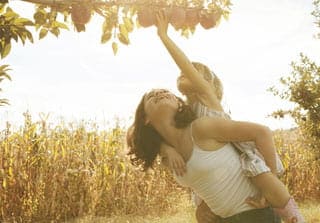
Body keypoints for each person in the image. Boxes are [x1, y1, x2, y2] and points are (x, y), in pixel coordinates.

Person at [154, 10, 305, 223]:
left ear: (206, 82)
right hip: (221, 177)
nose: (183, 73)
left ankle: (296, 218)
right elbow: (163, 136)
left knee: (272, 189)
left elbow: (184, 64)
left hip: (249, 159)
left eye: (192, 72)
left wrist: (164, 36)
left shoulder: (207, 98)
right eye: (181, 74)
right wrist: (166, 148)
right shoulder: (186, 115)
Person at [128, 88, 285, 222]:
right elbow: (206, 178)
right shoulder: (167, 157)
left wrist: (270, 187)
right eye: (151, 95)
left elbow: (262, 132)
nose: (160, 92)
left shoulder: (201, 128)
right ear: (145, 118)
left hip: (255, 216)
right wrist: (202, 207)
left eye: (165, 91)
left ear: (179, 105)